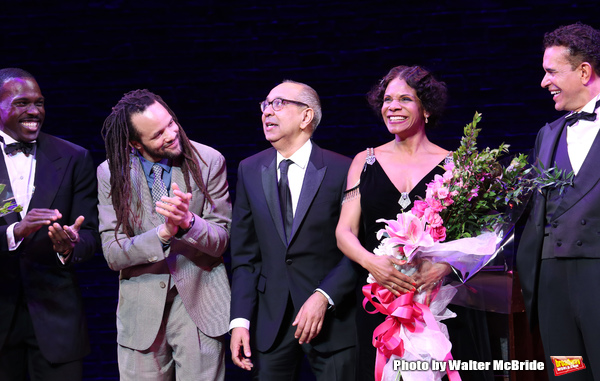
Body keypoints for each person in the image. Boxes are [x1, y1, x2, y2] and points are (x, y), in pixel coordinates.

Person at [98, 89, 231, 380]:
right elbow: (112, 251)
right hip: (141, 312)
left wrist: (189, 222)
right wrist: (163, 233)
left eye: (171, 123)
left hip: (199, 304)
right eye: (157, 135)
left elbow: (221, 238)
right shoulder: (112, 172)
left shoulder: (209, 160)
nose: (171, 135)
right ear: (135, 143)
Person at [229, 80, 356, 380]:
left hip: (331, 321)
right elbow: (245, 257)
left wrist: (324, 295)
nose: (267, 112)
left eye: (278, 103)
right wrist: (240, 321)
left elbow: (359, 248)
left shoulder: (343, 169)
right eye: (265, 105)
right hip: (270, 323)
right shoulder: (249, 169)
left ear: (306, 116)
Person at [335, 65, 456, 380]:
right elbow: (344, 231)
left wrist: (444, 266)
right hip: (380, 298)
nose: (393, 107)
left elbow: (475, 236)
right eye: (387, 100)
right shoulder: (365, 161)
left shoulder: (454, 165)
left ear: (426, 108)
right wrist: (373, 263)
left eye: (405, 99)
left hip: (434, 299)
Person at [0, 68, 100, 380]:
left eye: (39, 102)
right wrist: (15, 231)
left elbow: (91, 235)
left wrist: (70, 245)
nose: (34, 111)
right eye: (21, 103)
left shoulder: (73, 157)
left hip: (56, 320)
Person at [516, 22, 600, 380]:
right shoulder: (547, 134)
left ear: (584, 71)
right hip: (552, 287)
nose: (544, 82)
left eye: (551, 72)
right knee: (568, 373)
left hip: (596, 279)